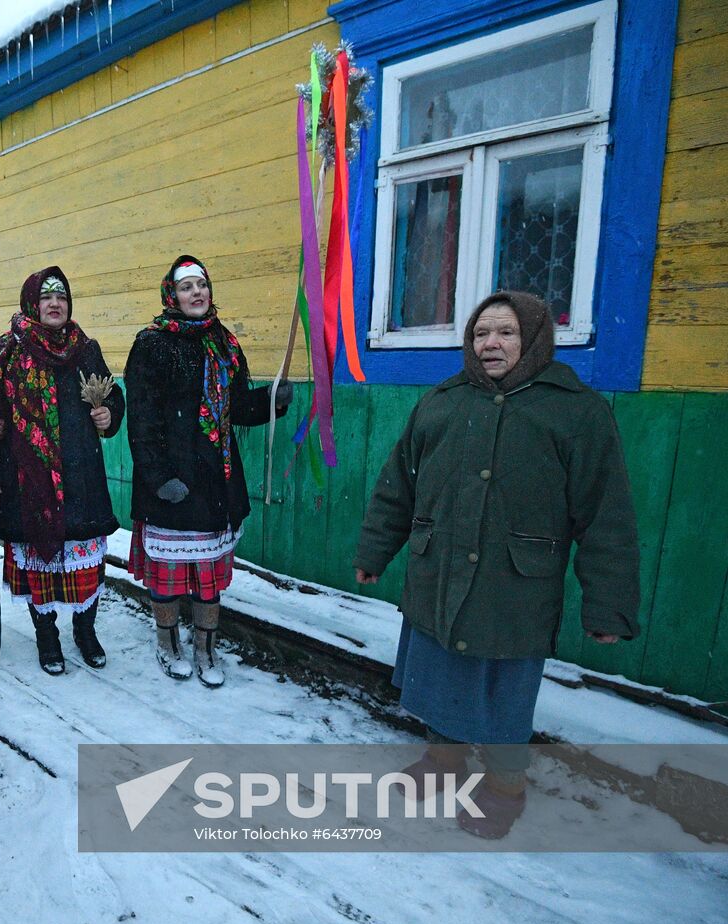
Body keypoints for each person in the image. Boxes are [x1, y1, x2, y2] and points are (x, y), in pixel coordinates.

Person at [354, 290, 639, 839]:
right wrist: (374, 551)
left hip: (515, 587)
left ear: (533, 339)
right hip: (437, 571)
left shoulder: (576, 411)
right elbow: (398, 487)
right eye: (481, 333)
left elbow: (606, 514)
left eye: (506, 332)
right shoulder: (443, 401)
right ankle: (443, 764)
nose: (491, 344)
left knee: (504, 692)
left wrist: (608, 604)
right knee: (437, 672)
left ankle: (506, 786)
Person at [124, 255, 291, 687]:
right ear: (172, 295)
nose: (196, 293)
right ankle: (167, 643)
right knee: (170, 578)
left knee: (208, 581)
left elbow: (233, 408)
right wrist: (159, 479)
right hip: (171, 484)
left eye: (202, 285)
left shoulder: (224, 343)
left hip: (215, 481)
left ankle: (205, 649)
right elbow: (142, 420)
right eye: (186, 287)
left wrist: (271, 401)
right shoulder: (152, 343)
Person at [0, 266, 124, 674]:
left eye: (62, 297)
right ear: (31, 303)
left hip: (81, 477)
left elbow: (111, 393)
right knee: (40, 569)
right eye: (47, 297)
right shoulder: (7, 351)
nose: (55, 304)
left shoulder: (85, 349)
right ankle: (47, 636)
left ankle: (85, 631)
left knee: (84, 566)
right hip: (27, 478)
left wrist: (110, 414)